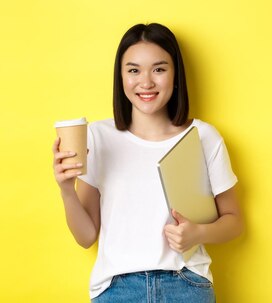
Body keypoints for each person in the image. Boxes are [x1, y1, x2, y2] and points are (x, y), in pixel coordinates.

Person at [52, 23, 243, 302]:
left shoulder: (203, 137)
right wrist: (67, 190)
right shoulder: (97, 137)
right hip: (116, 290)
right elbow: (86, 237)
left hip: (186, 285)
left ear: (175, 74)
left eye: (159, 69)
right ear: (121, 78)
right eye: (133, 70)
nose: (146, 82)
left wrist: (197, 233)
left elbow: (234, 222)